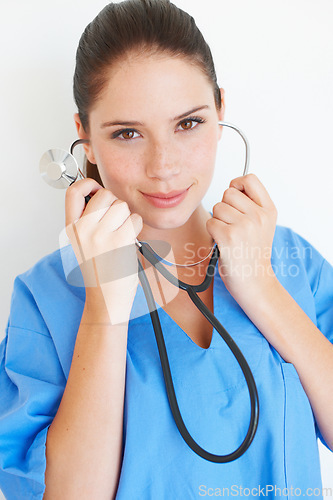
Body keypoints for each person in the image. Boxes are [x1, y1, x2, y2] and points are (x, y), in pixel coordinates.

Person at [0, 0, 332, 498]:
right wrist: (103, 312)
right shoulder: (44, 299)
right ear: (84, 138)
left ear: (220, 110)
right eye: (128, 133)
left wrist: (261, 288)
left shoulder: (289, 261)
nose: (164, 166)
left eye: (189, 123)